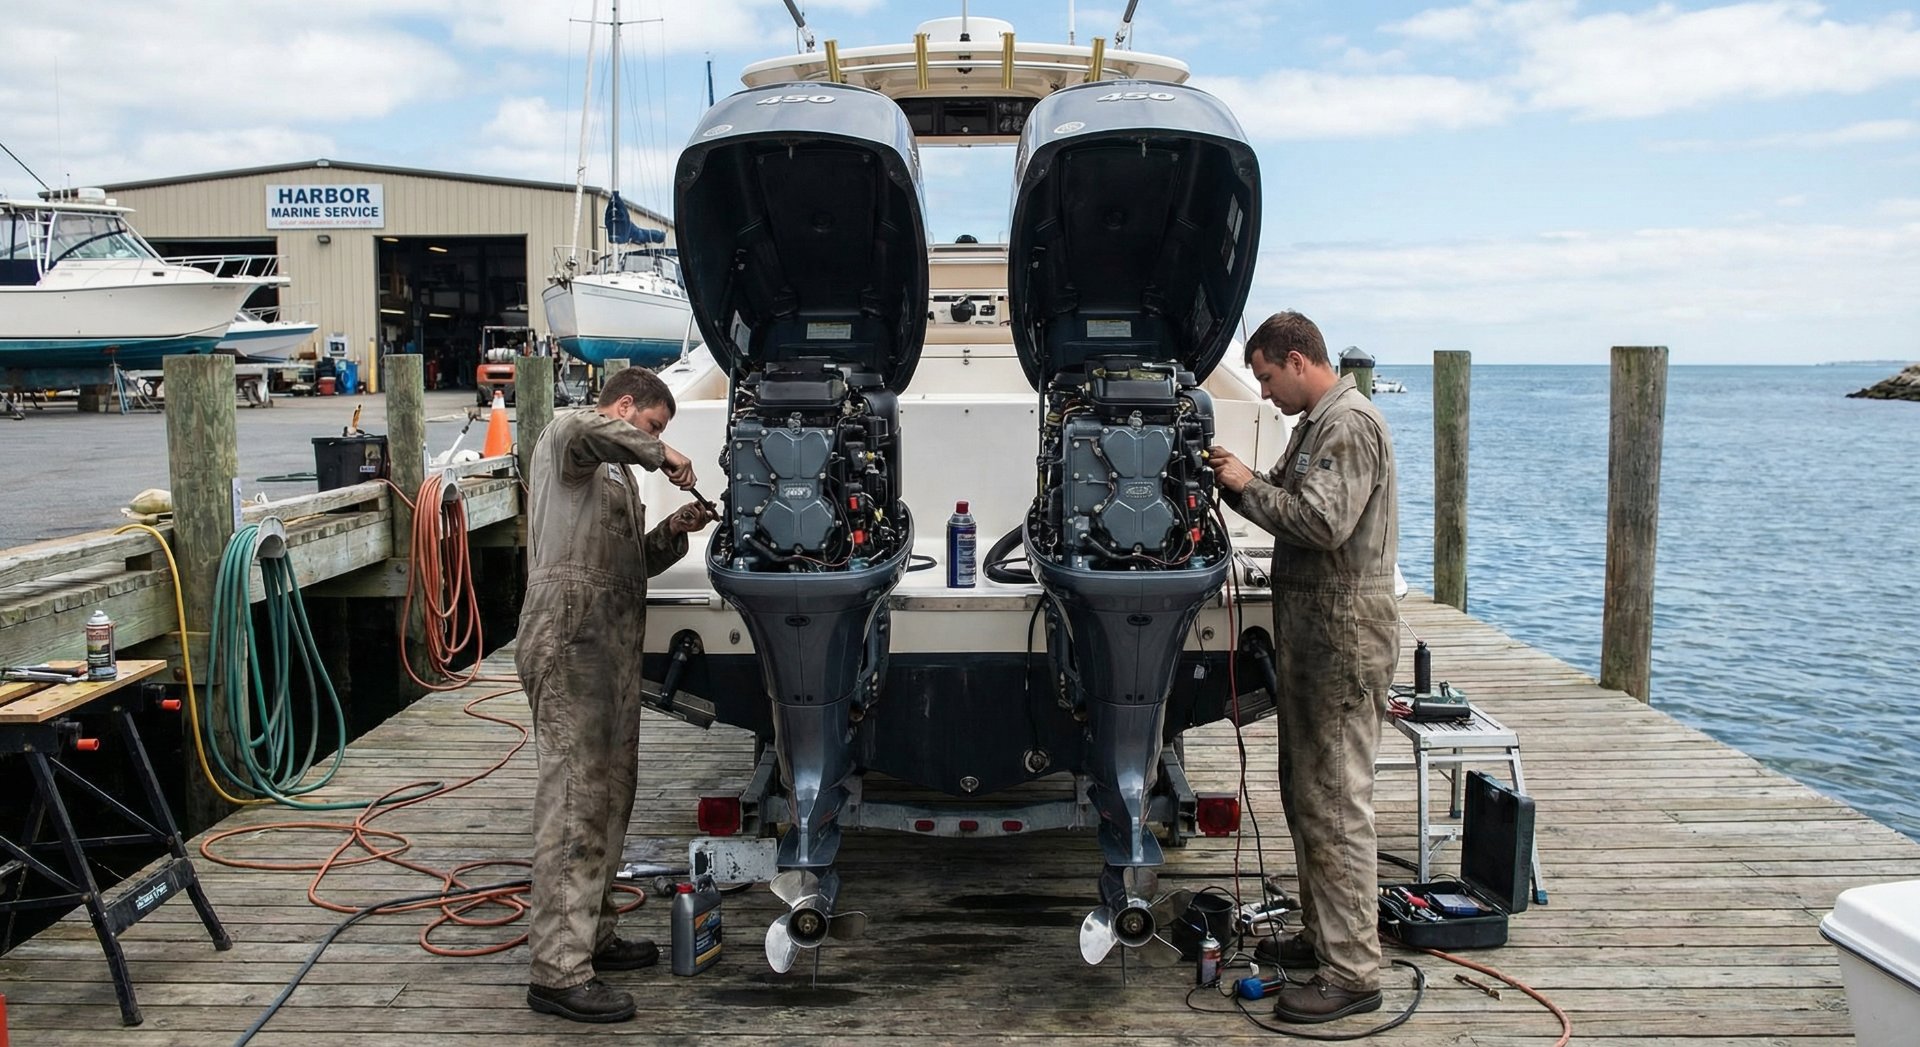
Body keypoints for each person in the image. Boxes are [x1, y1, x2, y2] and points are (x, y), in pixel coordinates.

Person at [1208, 311, 1400, 1024]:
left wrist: (1245, 485)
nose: (1265, 393)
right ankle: (1325, 937)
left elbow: (1321, 522)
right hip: (1317, 638)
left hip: (1344, 639)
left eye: (1265, 377)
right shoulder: (1315, 423)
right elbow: (1282, 495)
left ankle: (1353, 971)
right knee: (1305, 793)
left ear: (1297, 358)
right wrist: (1234, 478)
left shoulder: (1347, 424)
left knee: (1336, 803)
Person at [518, 366, 714, 1023]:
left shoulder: (619, 479)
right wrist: (663, 453)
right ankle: (557, 970)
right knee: (575, 798)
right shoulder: (569, 443)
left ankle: (592, 936)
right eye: (653, 424)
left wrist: (674, 528)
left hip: (611, 651)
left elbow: (627, 562)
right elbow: (584, 424)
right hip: (572, 638)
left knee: (610, 794)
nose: (656, 439)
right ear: (625, 406)